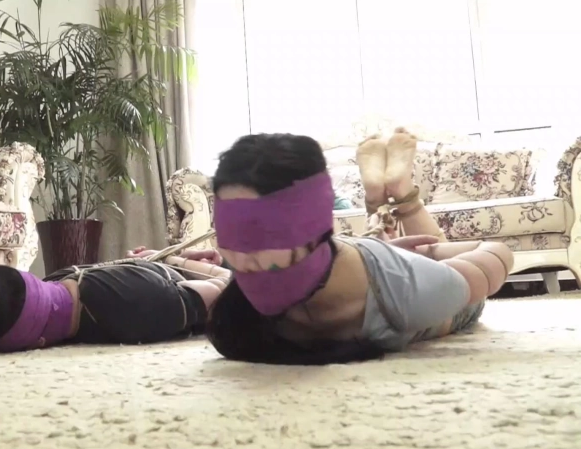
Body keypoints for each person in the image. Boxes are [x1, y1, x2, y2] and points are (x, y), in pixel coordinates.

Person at [205, 128, 514, 365]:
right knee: (397, 249)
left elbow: (499, 253)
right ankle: (387, 197)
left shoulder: (413, 293)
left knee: (431, 248)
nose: (241, 258)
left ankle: (402, 194)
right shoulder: (244, 301)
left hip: (423, 285)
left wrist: (421, 256)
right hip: (357, 254)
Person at [0, 249, 229, 353]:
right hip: (189, 273)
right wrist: (173, 259)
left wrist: (173, 257)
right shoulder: (58, 278)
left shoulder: (139, 304)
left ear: (37, 343)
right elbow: (223, 286)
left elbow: (226, 286)